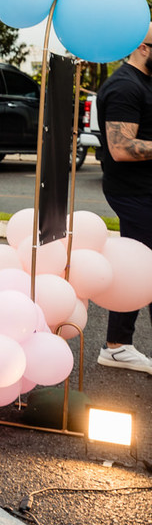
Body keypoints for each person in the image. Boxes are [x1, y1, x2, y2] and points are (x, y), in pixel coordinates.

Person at [95, 24, 152, 374]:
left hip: (145, 190)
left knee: (138, 267)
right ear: (144, 47)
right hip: (134, 192)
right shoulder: (124, 86)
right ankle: (116, 346)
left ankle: (117, 346)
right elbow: (121, 148)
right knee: (146, 267)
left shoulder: (144, 82)